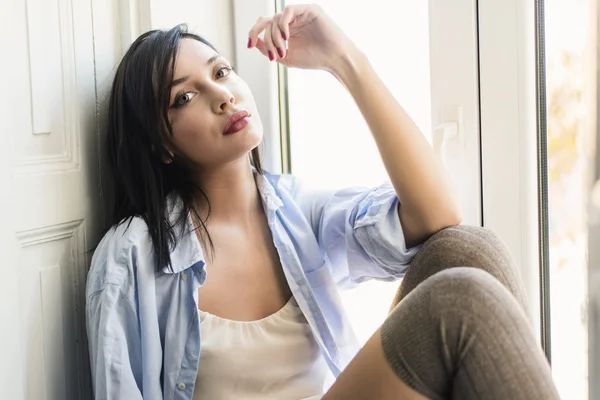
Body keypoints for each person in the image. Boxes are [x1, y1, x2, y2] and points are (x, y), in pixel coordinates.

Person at [86, 4, 559, 399]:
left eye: (222, 71)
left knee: (467, 249)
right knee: (462, 301)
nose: (222, 96)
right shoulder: (132, 254)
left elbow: (437, 216)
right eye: (185, 96)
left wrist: (343, 59)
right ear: (161, 145)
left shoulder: (295, 212)